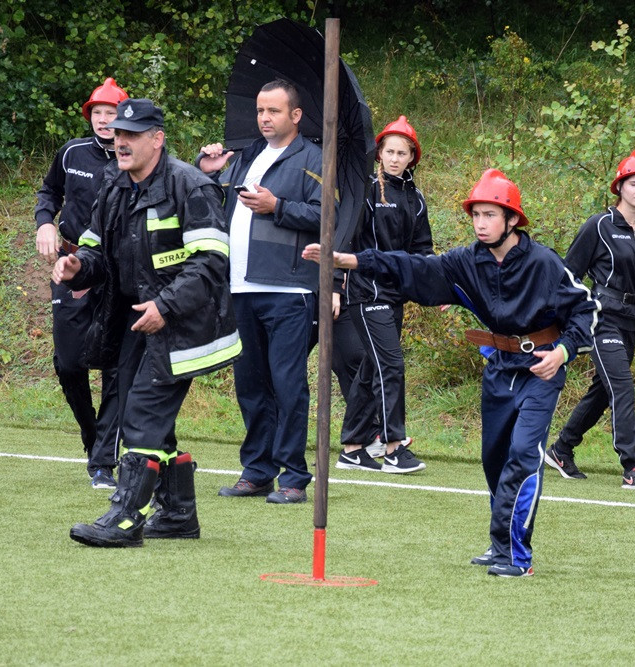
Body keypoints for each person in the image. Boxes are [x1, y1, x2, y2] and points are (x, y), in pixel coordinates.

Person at [306, 168, 599, 576]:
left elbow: (587, 309)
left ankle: (517, 556)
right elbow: (412, 267)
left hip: (541, 370)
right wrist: (350, 260)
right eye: (476, 214)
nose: (480, 223)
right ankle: (500, 545)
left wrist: (564, 352)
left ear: (512, 220)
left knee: (522, 456)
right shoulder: (467, 261)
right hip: (498, 368)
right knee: (493, 459)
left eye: (490, 215)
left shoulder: (544, 263)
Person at [53, 98, 240, 547]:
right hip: (137, 320)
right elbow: (96, 251)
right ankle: (178, 515)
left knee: (141, 417)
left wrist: (166, 307)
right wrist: (79, 266)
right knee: (154, 421)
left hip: (185, 325)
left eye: (131, 135)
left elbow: (211, 263)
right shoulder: (114, 184)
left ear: (157, 139)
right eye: (117, 134)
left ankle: (123, 519)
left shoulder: (190, 185)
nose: (120, 142)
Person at [197, 79, 322, 504]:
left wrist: (279, 207)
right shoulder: (247, 155)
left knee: (288, 385)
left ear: (296, 116)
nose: (264, 118)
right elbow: (223, 201)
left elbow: (330, 215)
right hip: (240, 285)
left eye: (273, 111)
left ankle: (294, 478)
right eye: (260, 111)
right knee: (250, 384)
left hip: (289, 289)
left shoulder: (315, 158)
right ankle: (257, 471)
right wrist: (210, 173)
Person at [545, 149, 635, 490]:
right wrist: (563, 318)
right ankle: (632, 466)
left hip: (630, 320)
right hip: (599, 319)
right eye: (633, 183)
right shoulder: (599, 226)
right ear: (619, 187)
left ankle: (562, 449)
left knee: (603, 391)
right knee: (621, 385)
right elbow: (568, 275)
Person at [34, 77, 127, 489]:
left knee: (116, 367)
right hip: (72, 266)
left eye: (111, 113)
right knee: (69, 363)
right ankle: (93, 439)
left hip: (119, 272)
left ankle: (104, 461)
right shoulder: (71, 151)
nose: (104, 120)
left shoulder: (133, 155)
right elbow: (48, 192)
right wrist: (44, 225)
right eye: (98, 113)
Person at [335, 116, 432, 474]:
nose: (394, 158)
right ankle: (393, 447)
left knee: (368, 369)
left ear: (411, 157)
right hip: (365, 291)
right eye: (388, 151)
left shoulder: (416, 198)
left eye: (401, 152)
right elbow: (344, 239)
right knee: (390, 364)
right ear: (379, 154)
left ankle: (352, 447)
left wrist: (428, 285)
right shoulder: (365, 190)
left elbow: (423, 250)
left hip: (396, 295)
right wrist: (334, 284)